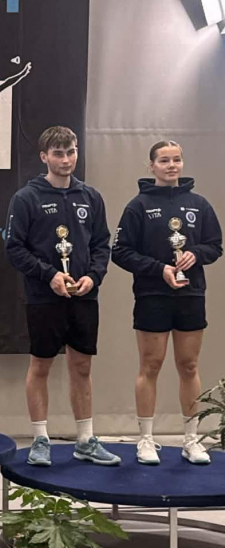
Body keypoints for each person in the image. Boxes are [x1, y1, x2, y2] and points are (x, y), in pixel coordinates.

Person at [5, 126, 120, 467]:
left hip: (83, 296)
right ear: (44, 157)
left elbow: (101, 245)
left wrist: (92, 277)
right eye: (58, 153)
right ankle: (40, 439)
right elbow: (14, 248)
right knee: (41, 365)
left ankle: (85, 439)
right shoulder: (26, 198)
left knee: (82, 366)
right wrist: (50, 275)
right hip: (44, 296)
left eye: (71, 152)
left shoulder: (91, 197)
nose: (66, 159)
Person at [112, 141, 222, 465]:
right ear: (151, 166)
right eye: (163, 160)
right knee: (151, 365)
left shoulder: (199, 204)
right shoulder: (138, 205)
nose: (171, 165)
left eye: (176, 160)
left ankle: (192, 439)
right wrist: (159, 269)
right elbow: (121, 251)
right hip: (152, 295)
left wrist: (195, 254)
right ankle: (146, 439)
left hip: (191, 295)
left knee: (189, 366)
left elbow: (215, 245)